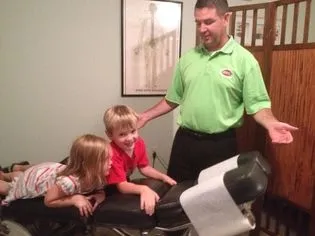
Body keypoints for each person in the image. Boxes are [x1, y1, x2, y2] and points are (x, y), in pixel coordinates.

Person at [138, 0, 298, 184]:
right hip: (184, 142)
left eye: (208, 22)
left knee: (214, 205)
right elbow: (172, 99)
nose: (202, 28)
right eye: (198, 22)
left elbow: (258, 105)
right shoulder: (187, 59)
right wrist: (145, 116)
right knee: (176, 199)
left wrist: (271, 123)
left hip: (220, 146)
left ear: (226, 18)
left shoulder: (245, 61)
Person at [0, 134, 112, 217]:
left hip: (45, 172)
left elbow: (99, 190)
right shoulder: (69, 182)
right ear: (87, 164)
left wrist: (100, 195)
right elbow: (49, 200)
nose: (111, 163)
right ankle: (5, 177)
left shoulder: (98, 177)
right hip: (36, 181)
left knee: (20, 176)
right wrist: (74, 199)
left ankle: (6, 174)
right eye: (106, 160)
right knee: (10, 187)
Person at [103, 105, 176, 216]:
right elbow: (122, 186)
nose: (130, 138)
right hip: (103, 187)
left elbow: (144, 167)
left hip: (122, 180)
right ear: (109, 135)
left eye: (133, 131)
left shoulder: (138, 143)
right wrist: (144, 189)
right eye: (122, 134)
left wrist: (163, 177)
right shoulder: (111, 153)